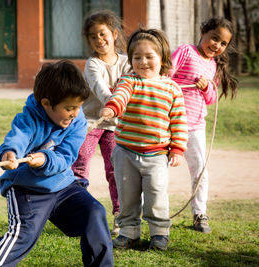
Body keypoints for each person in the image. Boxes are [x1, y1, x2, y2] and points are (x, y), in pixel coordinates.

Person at [0, 60, 113, 267]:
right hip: (27, 189)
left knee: (94, 212)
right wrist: (9, 154)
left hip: (63, 185)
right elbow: (17, 138)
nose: (74, 113)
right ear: (46, 104)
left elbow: (66, 157)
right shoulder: (29, 119)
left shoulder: (77, 121)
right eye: (69, 108)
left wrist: (45, 159)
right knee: (23, 234)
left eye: (78, 107)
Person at [100, 28, 188, 250]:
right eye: (137, 57)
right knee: (127, 196)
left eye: (149, 56)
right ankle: (129, 233)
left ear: (162, 58)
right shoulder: (129, 80)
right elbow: (120, 95)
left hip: (156, 154)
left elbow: (178, 121)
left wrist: (177, 149)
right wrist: (112, 108)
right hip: (125, 152)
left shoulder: (172, 88)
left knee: (156, 194)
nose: (143, 61)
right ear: (131, 60)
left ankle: (159, 233)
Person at [171, 17, 238, 233]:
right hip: (170, 122)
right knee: (156, 168)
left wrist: (205, 88)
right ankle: (153, 212)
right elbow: (166, 75)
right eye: (214, 38)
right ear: (203, 32)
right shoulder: (186, 51)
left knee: (200, 170)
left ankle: (199, 214)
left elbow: (210, 98)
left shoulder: (214, 66)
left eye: (223, 43)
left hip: (195, 125)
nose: (217, 45)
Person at [72, 10, 129, 236]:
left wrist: (119, 105)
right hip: (91, 123)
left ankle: (120, 216)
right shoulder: (92, 64)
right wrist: (115, 102)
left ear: (114, 34)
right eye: (93, 36)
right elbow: (100, 89)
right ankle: (77, 213)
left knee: (116, 170)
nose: (99, 40)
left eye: (103, 34)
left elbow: (130, 86)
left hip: (116, 126)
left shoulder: (126, 62)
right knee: (80, 162)